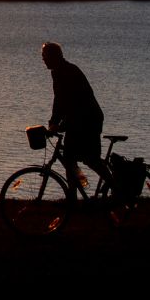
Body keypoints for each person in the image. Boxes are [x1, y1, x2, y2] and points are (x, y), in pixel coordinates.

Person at [41, 41, 110, 190]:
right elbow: (59, 100)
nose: (43, 60)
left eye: (45, 56)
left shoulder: (68, 71)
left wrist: (61, 125)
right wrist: (53, 122)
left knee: (90, 159)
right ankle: (80, 192)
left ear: (54, 57)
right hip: (77, 121)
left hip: (89, 120)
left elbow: (75, 102)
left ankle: (116, 186)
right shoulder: (58, 72)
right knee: (70, 159)